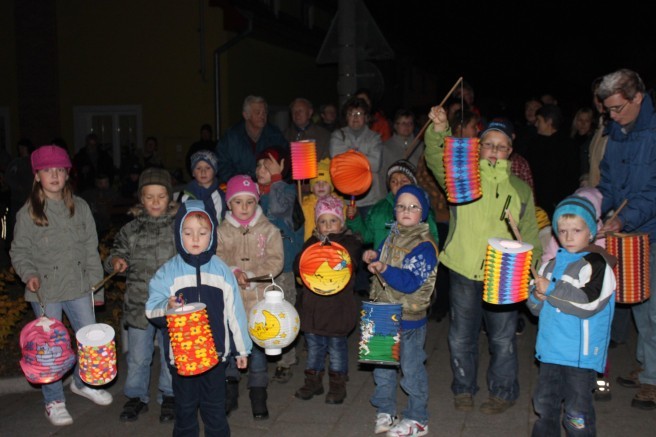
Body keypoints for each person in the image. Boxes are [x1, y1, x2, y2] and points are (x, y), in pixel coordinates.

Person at [425, 107, 542, 414]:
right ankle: (464, 388)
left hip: (503, 273)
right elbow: (437, 158)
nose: (494, 150)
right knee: (461, 336)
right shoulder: (463, 176)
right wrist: (440, 129)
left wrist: (533, 267)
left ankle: (503, 392)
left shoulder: (520, 189)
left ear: (510, 151)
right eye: (489, 144)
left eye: (501, 146)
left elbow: (530, 232)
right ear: (479, 146)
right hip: (464, 268)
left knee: (502, 338)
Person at [9, 145, 113, 426]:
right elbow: (19, 251)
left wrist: (96, 288)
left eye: (59, 170)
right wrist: (28, 273)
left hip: (78, 286)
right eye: (47, 170)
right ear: (37, 176)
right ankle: (53, 400)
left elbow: (91, 249)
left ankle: (84, 382)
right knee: (49, 349)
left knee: (90, 339)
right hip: (46, 291)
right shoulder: (28, 213)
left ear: (67, 174)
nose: (54, 175)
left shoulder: (80, 207)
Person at [145, 199, 252, 436]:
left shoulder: (222, 271)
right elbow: (151, 309)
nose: (195, 239)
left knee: (215, 411)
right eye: (188, 233)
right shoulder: (168, 272)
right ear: (178, 234)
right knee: (185, 410)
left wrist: (242, 350)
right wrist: (167, 306)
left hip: (215, 357)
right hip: (182, 359)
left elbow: (235, 313)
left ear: (212, 235)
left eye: (202, 233)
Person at [528, 195, 616, 436]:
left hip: (579, 356)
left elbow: (588, 303)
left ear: (590, 232)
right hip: (550, 351)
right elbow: (534, 309)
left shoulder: (597, 265)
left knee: (577, 412)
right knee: (545, 404)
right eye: (563, 231)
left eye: (576, 230)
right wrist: (537, 296)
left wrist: (552, 290)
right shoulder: (549, 265)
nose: (568, 237)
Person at [596, 68, 656, 410]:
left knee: (654, 310)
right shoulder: (618, 131)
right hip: (628, 232)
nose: (613, 116)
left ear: (638, 98)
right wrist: (593, 204)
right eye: (608, 110)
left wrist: (624, 218)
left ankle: (653, 380)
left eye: (617, 108)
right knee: (639, 303)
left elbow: (653, 190)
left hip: (651, 229)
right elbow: (608, 179)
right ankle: (647, 364)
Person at [104, 167, 178, 423]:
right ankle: (136, 396)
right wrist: (116, 262)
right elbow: (116, 252)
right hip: (139, 304)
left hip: (170, 304)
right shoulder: (130, 230)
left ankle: (170, 394)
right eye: (149, 196)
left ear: (169, 197)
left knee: (171, 353)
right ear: (141, 199)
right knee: (138, 356)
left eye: (161, 196)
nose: (155, 202)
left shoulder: (178, 228)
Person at [363, 184, 438, 437]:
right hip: (382, 310)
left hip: (408, 317)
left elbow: (410, 282)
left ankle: (418, 418)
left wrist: (384, 269)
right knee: (382, 365)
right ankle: (386, 409)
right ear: (394, 210)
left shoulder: (425, 246)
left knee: (411, 369)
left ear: (423, 213)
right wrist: (373, 256)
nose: (406, 210)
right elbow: (383, 256)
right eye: (401, 206)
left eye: (413, 207)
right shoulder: (392, 235)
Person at [216, 175, 284, 420]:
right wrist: (234, 271)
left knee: (257, 350)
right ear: (229, 204)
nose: (244, 207)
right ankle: (230, 388)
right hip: (231, 302)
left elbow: (276, 261)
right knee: (232, 345)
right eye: (238, 202)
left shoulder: (269, 230)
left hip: (259, 299)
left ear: (257, 202)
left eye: (249, 202)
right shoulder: (221, 232)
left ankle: (258, 392)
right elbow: (217, 256)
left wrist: (254, 275)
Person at [293, 196, 362, 404]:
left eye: (333, 220)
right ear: (317, 224)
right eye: (323, 221)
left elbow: (350, 261)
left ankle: (337, 384)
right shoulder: (311, 243)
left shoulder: (349, 243)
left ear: (341, 222)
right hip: (313, 308)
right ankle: (313, 381)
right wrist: (308, 256)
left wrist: (331, 250)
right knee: (314, 347)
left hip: (337, 308)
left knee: (337, 348)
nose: (328, 226)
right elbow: (298, 265)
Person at [255, 147, 304, 383]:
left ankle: (286, 360)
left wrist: (276, 179)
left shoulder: (286, 191)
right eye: (259, 165)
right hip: (260, 266)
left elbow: (278, 209)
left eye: (268, 165)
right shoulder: (254, 194)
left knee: (283, 311)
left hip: (282, 267)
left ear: (282, 167)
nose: (261, 170)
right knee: (262, 311)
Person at [215, 95, 289, 184]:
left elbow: (286, 162)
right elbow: (222, 165)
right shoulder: (231, 137)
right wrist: (243, 183)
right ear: (246, 115)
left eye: (265, 112)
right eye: (258, 112)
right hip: (239, 187)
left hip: (269, 187)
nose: (262, 116)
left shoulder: (275, 135)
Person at [329, 96, 384, 213]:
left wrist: (349, 156)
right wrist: (363, 158)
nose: (355, 117)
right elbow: (336, 159)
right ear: (346, 117)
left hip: (370, 198)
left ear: (366, 117)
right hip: (345, 199)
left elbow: (375, 164)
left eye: (359, 113)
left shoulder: (374, 137)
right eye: (350, 114)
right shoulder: (338, 135)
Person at [525, 104, 580, 216]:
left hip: (559, 206)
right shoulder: (535, 144)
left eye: (539, 121)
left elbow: (570, 177)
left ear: (549, 122)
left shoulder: (567, 146)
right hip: (541, 205)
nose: (536, 124)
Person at [300, 157, 345, 242]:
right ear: (312, 188)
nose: (321, 186)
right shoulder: (306, 206)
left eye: (325, 182)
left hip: (336, 241)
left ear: (331, 187)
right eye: (317, 182)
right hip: (312, 243)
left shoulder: (338, 203)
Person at [178, 150, 227, 226]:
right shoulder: (187, 196)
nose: (203, 172)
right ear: (193, 173)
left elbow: (222, 220)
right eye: (198, 168)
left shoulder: (222, 193)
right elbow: (181, 220)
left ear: (215, 171)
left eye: (208, 168)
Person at [380, 109, 424, 176]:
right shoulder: (386, 147)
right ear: (395, 125)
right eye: (403, 123)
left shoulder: (420, 146)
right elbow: (383, 172)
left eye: (410, 123)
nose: (407, 126)